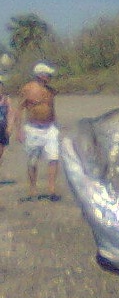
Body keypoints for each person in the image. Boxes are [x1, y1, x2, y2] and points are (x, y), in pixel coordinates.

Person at [15, 62, 61, 201]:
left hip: (50, 129)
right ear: (41, 75)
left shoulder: (50, 91)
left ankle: (52, 189)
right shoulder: (27, 89)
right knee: (32, 161)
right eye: (48, 75)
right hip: (33, 129)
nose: (50, 77)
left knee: (54, 158)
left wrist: (56, 125)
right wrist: (19, 130)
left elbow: (52, 109)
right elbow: (19, 109)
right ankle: (32, 188)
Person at [0, 75, 14, 173]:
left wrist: (10, 127)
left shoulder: (6, 99)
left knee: (0, 152)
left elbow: (10, 114)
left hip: (2, 128)